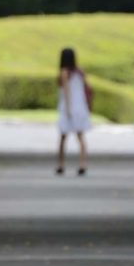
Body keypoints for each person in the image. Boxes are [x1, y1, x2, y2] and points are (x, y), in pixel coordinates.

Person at [56, 47, 91, 176]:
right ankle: (82, 164)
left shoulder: (64, 73)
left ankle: (61, 164)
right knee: (80, 137)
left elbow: (66, 91)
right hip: (81, 107)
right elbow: (86, 89)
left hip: (69, 107)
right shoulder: (80, 72)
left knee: (63, 137)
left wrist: (67, 109)